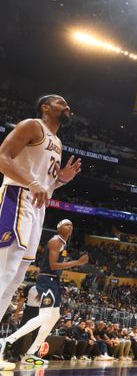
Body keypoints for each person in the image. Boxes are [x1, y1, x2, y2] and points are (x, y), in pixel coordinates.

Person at [0, 94, 81, 357]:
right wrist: (32, 182)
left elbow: (43, 182)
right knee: (4, 272)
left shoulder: (57, 141)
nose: (68, 106)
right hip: (17, 197)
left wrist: (61, 181)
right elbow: (2, 157)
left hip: (37, 207)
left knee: (14, 280)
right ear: (46, 108)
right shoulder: (32, 125)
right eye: (61, 103)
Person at [0, 219, 87, 367]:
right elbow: (53, 265)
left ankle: (30, 354)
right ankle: (7, 340)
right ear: (58, 227)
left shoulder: (64, 243)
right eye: (66, 224)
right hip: (47, 279)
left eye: (71, 225)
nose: (70, 226)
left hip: (54, 281)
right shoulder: (55, 241)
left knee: (54, 316)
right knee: (45, 315)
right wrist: (76, 263)